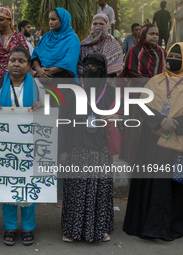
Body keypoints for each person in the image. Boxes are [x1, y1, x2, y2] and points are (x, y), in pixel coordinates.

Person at [59, 53, 126, 242]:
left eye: (95, 67)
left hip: (101, 149)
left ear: (103, 70)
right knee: (75, 190)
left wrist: (118, 117)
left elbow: (127, 115)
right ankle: (72, 229)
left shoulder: (112, 93)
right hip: (77, 148)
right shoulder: (74, 92)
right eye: (87, 67)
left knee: (100, 190)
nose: (90, 71)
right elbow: (64, 123)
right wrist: (63, 150)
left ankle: (99, 228)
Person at [0, 46, 44, 246]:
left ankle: (27, 227)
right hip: (3, 147)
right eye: (12, 60)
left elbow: (48, 110)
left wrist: (40, 107)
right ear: (7, 63)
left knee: (28, 186)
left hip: (28, 145)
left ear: (28, 65)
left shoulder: (36, 85)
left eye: (21, 61)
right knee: (8, 186)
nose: (16, 64)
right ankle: (9, 226)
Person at [123, 43, 183, 241]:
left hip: (176, 144)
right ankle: (144, 226)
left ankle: (166, 228)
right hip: (151, 142)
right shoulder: (155, 81)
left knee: (170, 187)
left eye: (178, 56)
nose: (173, 59)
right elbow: (142, 103)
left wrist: (171, 123)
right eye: (171, 55)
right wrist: (159, 120)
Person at [121, 24, 167, 164]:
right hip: (137, 95)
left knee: (154, 127)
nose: (154, 37)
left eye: (157, 34)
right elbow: (130, 70)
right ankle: (132, 159)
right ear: (143, 35)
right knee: (136, 128)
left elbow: (166, 74)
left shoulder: (162, 53)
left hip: (157, 97)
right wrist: (151, 82)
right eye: (151, 33)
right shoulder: (135, 50)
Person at [31, 8, 80, 79]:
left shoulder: (72, 39)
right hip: (42, 79)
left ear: (63, 20)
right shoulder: (47, 37)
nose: (50, 22)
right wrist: (38, 70)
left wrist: (46, 73)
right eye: (50, 19)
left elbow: (68, 62)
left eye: (53, 19)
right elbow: (35, 56)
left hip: (63, 81)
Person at [78, 13, 123, 85]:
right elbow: (80, 66)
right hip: (87, 84)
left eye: (101, 24)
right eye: (95, 23)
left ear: (107, 25)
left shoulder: (113, 44)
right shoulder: (84, 44)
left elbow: (116, 66)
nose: (98, 26)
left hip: (107, 85)